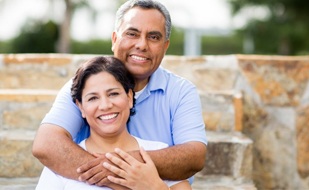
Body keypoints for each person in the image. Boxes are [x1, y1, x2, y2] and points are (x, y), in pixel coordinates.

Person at [32, 0, 207, 188]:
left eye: (154, 37)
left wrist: (123, 169)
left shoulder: (180, 92)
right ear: (114, 39)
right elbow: (46, 144)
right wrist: (120, 177)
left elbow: (194, 156)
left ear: (165, 46)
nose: (142, 45)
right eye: (132, 34)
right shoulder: (84, 84)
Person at [36, 56, 191, 190]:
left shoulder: (158, 152)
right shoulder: (61, 163)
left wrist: (155, 187)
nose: (105, 105)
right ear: (80, 107)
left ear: (129, 97)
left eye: (113, 94)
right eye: (93, 98)